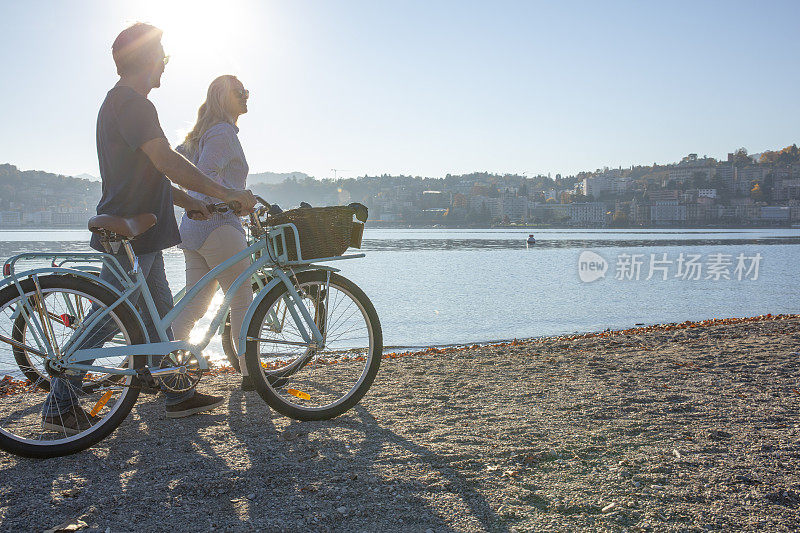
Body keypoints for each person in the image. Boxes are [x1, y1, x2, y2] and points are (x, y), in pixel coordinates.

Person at [42, 22, 257, 435]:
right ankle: (59, 402)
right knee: (108, 318)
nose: (165, 66)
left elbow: (150, 176)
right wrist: (223, 193)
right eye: (163, 57)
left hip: (145, 228)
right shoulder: (133, 104)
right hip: (132, 232)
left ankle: (175, 391)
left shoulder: (120, 104)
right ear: (147, 59)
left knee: (160, 316)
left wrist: (191, 202)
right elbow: (167, 163)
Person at [171, 75, 255, 391]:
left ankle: (174, 370)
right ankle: (251, 375)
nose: (246, 95)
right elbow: (205, 176)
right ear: (222, 97)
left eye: (247, 91)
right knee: (242, 299)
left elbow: (182, 168)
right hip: (218, 226)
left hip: (193, 228)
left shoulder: (204, 133)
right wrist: (231, 197)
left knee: (194, 306)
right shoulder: (221, 133)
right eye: (239, 92)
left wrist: (230, 194)